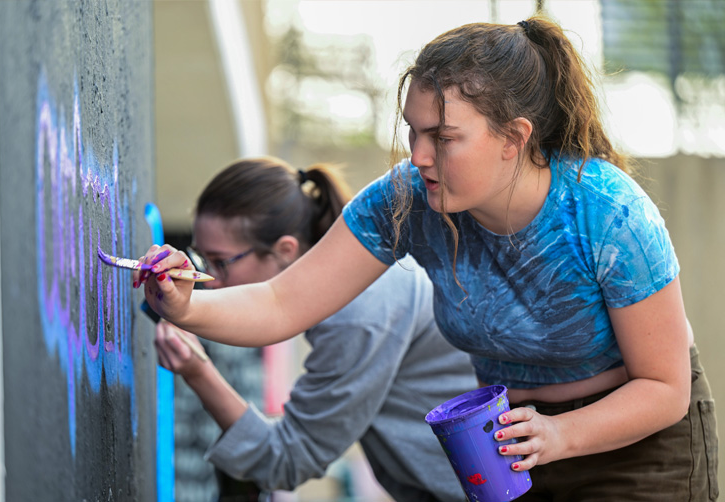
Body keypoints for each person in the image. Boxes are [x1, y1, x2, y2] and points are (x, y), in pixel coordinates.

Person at [137, 15, 719, 501]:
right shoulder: (406, 201)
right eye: (414, 133)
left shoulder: (608, 213)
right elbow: (280, 300)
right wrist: (183, 306)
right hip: (513, 440)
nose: (418, 155)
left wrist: (561, 435)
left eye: (442, 137)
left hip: (637, 438)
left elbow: (663, 387)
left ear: (514, 138)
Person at [150, 157, 479, 501]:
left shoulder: (358, 310)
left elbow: (286, 460)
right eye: (200, 260)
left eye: (220, 263)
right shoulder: (359, 290)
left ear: (285, 251)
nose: (210, 283)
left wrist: (197, 370)